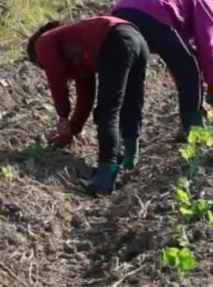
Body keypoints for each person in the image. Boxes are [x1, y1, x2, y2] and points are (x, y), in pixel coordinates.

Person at [27, 16, 149, 195]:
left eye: (42, 66)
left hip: (115, 40)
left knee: (108, 113)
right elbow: (86, 97)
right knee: (130, 103)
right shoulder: (79, 48)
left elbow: (56, 78)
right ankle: (129, 160)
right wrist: (71, 131)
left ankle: (105, 177)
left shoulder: (43, 43)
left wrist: (62, 115)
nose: (45, 68)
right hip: (137, 40)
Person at [111, 0, 213, 136]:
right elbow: (208, 48)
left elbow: (175, 61)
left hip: (120, 14)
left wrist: (191, 92)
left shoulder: (183, 1)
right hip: (150, 10)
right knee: (189, 68)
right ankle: (193, 132)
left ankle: (126, 143)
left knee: (131, 81)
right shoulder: (205, 1)